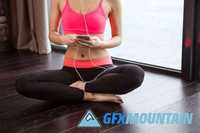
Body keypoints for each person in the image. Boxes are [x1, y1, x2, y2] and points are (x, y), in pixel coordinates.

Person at [15, 0, 145, 104]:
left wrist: (100, 43)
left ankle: (82, 88)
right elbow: (52, 34)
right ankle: (89, 95)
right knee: (23, 83)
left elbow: (118, 37)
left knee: (136, 73)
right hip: (70, 71)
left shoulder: (112, 1)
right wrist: (62, 38)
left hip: (102, 69)